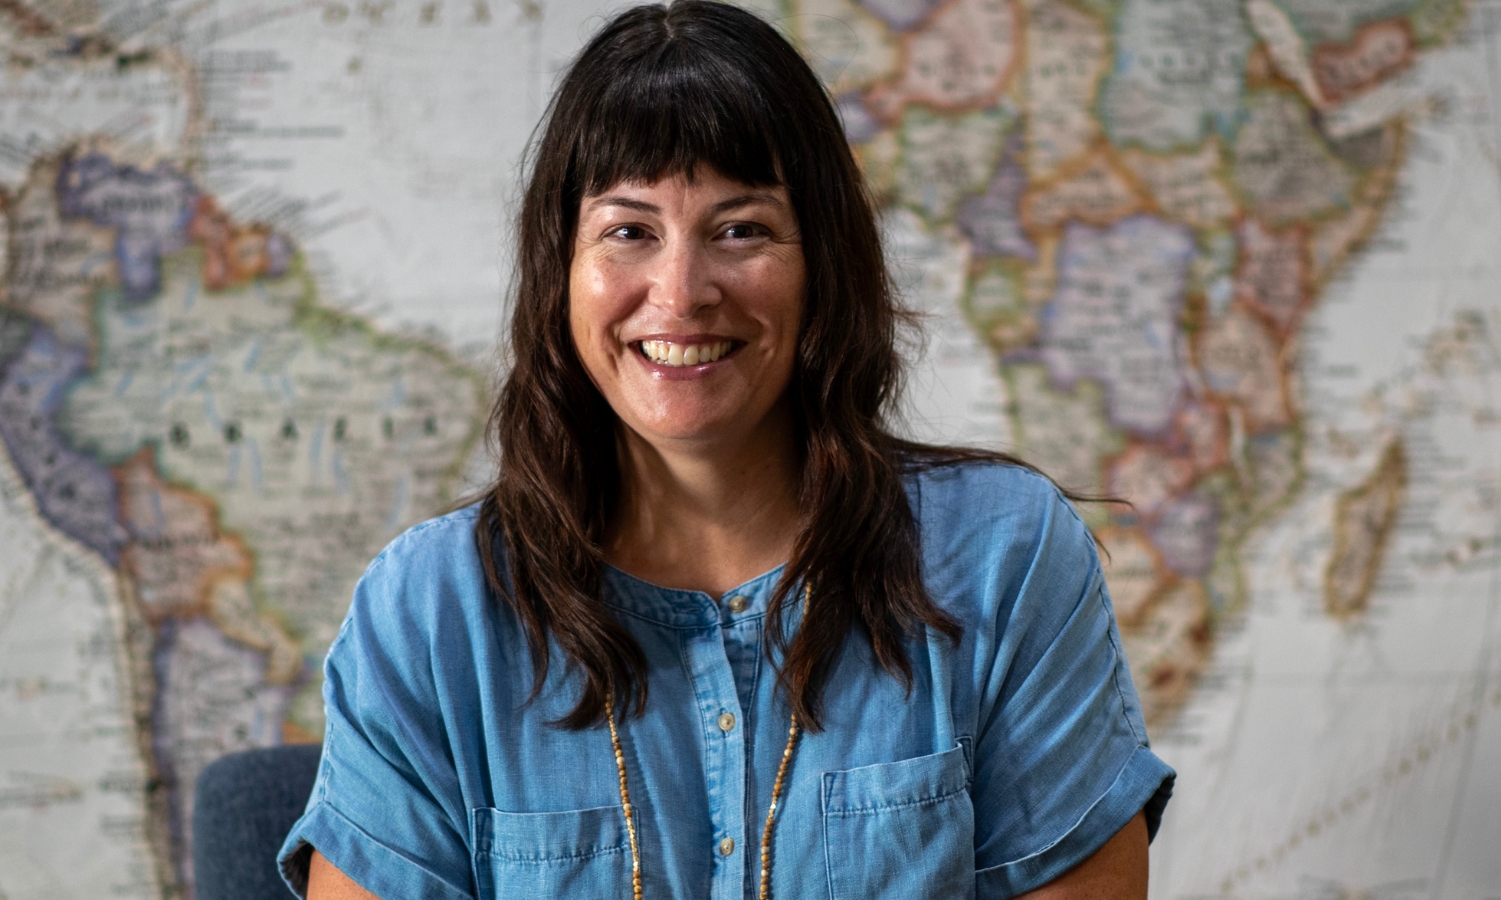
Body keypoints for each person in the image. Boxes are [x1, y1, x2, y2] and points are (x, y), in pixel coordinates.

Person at [277, 2, 1175, 898]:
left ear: (822, 261)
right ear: (561, 268)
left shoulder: (1003, 560)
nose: (681, 294)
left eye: (741, 229)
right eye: (629, 231)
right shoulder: (428, 615)